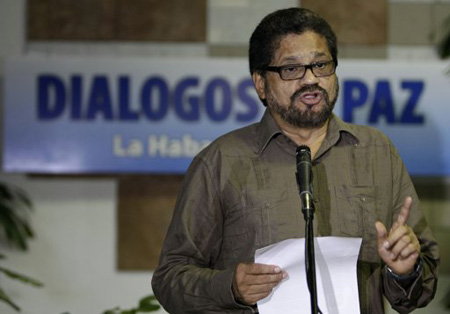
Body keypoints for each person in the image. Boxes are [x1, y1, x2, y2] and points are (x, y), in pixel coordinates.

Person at [151, 7, 439, 314]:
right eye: (291, 69)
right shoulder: (221, 161)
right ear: (260, 83)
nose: (311, 79)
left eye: (321, 65)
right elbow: (170, 279)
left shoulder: (376, 151)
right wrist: (230, 287)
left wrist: (404, 270)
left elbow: (419, 289)